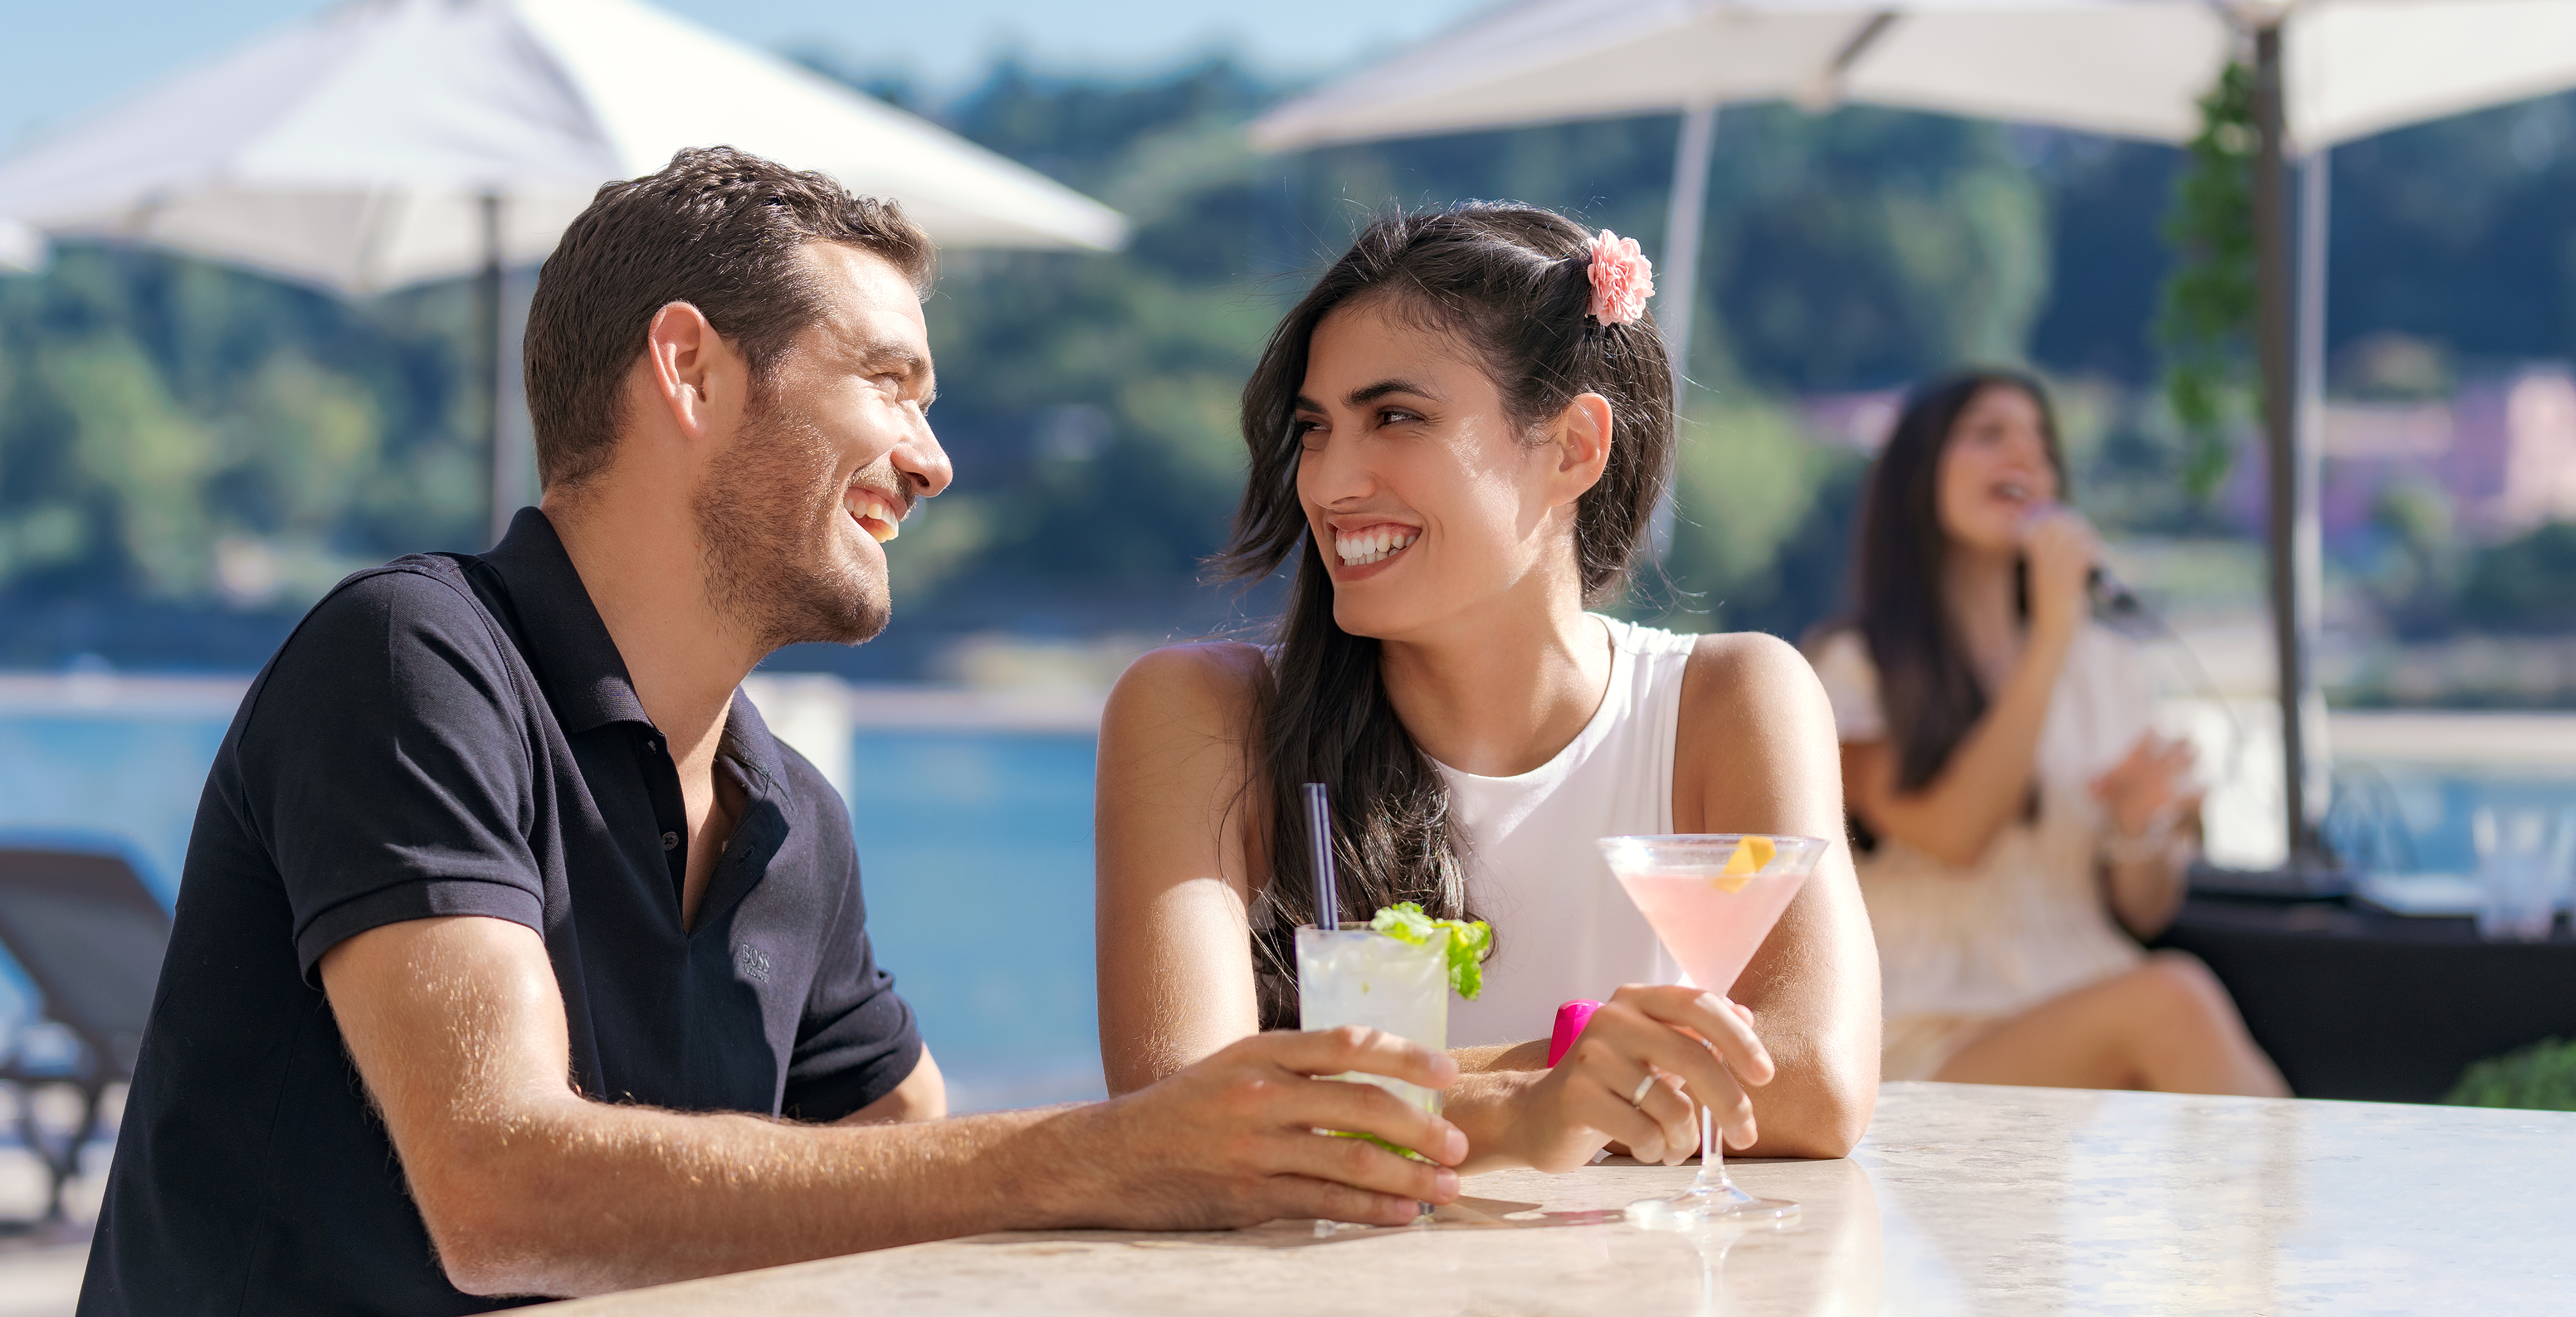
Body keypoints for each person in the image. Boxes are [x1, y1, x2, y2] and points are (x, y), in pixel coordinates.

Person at [80, 149, 1471, 1317]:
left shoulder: (787, 814)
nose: (930, 458)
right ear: (687, 368)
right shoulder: (412, 660)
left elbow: (916, 1162)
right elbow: (500, 1193)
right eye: (887, 380)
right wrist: (1100, 1152)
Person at [1094, 204, 1881, 1177]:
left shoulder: (1731, 701)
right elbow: (1179, 1111)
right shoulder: (1200, 716)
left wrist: (1366, 1095)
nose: (1330, 481)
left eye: (1394, 417)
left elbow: (1816, 1079)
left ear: (1572, 449)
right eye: (1313, 428)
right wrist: (1525, 1105)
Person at [1807, 369, 2287, 1095]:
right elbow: (1954, 831)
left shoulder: (2107, 666)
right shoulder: (1858, 668)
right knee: (2175, 998)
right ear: (1919, 472)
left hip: (2093, 1000)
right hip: (1935, 1033)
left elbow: (2146, 907)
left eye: (2042, 444)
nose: (2025, 458)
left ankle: (2307, 1201)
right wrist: (2052, 637)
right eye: (1989, 434)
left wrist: (2137, 829)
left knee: (2173, 1004)